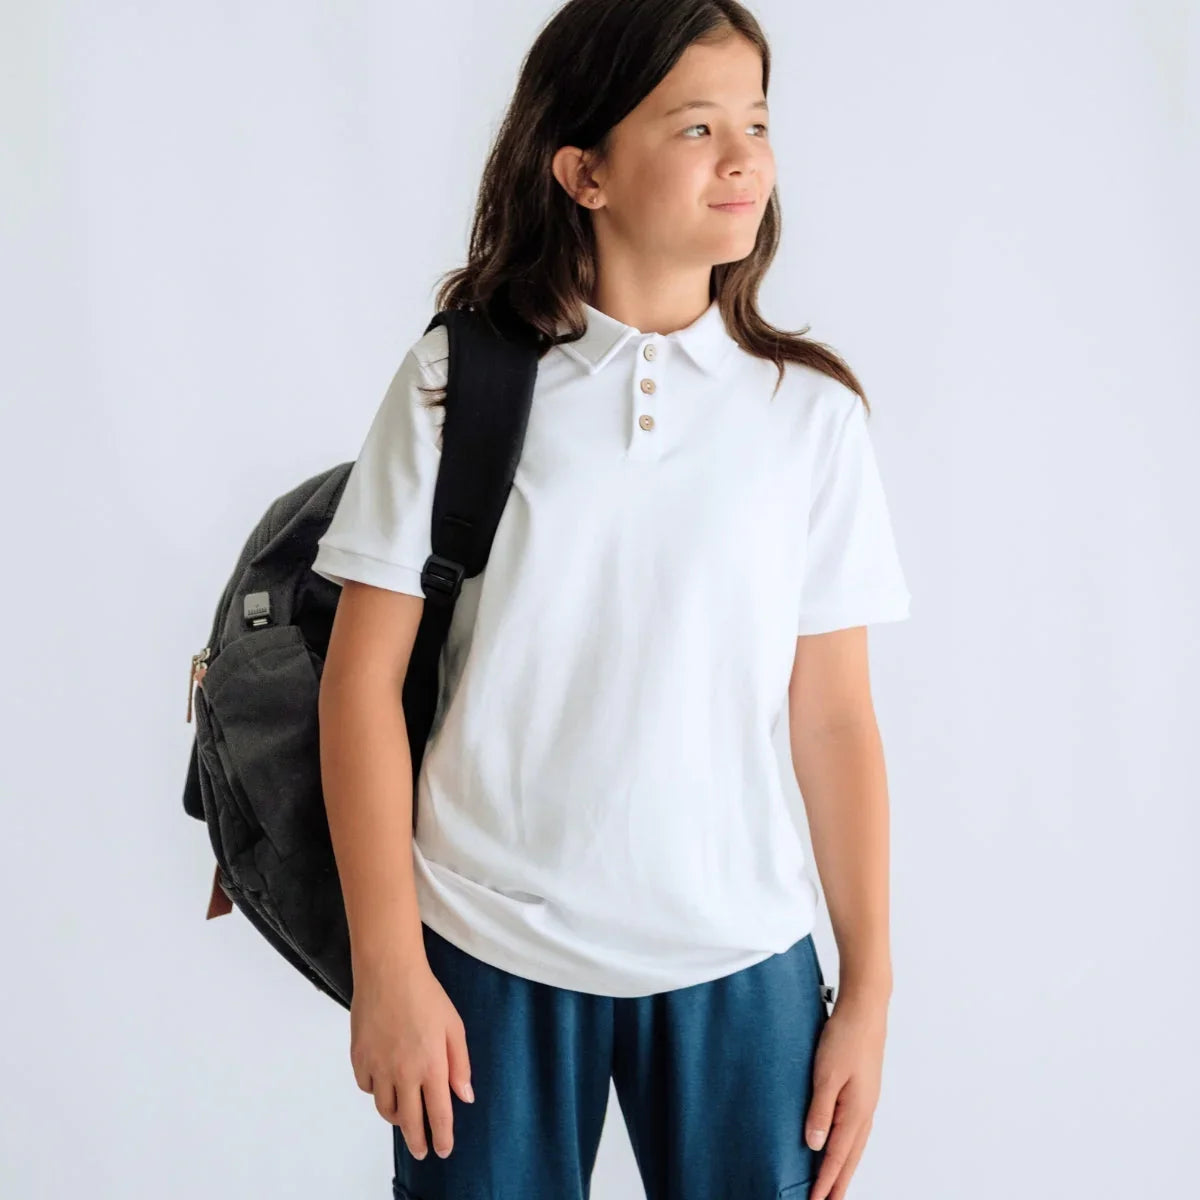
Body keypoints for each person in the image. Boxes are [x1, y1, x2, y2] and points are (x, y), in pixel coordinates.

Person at [312, 2, 911, 1197]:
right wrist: (389, 967)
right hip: (486, 951)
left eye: (756, 120)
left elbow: (834, 717)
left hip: (744, 961)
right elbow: (359, 681)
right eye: (696, 126)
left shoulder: (812, 419)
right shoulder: (458, 379)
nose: (745, 157)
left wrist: (869, 993)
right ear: (582, 170)